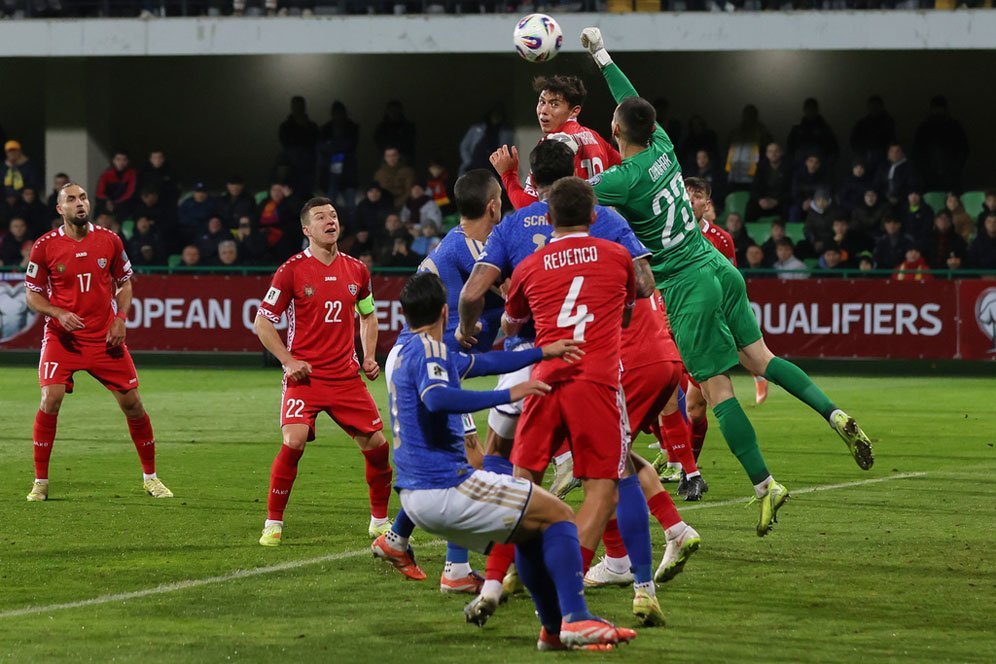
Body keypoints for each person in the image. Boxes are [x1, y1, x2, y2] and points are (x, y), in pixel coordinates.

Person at [581, 27, 874, 536]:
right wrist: (602, 55)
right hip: (718, 266)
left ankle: (766, 486)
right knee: (762, 358)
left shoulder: (619, 180)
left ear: (617, 131)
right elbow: (631, 102)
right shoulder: (666, 147)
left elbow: (569, 198)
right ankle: (836, 415)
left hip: (687, 284)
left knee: (717, 390)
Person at [457, 141, 659, 621]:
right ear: (590, 206)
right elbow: (641, 290)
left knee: (518, 479)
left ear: (547, 213)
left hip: (536, 373)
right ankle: (621, 584)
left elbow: (501, 314)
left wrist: (472, 332)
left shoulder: (520, 247)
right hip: (597, 379)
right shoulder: (613, 248)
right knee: (613, 480)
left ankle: (491, 581)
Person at [381, 272, 635, 651]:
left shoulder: (409, 352)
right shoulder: (429, 350)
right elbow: (436, 398)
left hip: (418, 496)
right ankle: (577, 617)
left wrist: (540, 353)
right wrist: (509, 393)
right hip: (445, 486)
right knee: (561, 515)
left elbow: (483, 363)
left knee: (529, 533)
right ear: (446, 311)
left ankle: (552, 631)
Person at [378, 169, 506, 594]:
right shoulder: (473, 248)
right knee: (469, 462)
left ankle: (397, 539)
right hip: (426, 361)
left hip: (421, 358)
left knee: (442, 461)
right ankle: (455, 570)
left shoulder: (460, 242)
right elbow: (514, 291)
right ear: (494, 205)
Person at [254, 197, 392, 546]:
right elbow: (263, 322)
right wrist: (289, 361)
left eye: (333, 215)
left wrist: (369, 356)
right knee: (294, 440)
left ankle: (379, 520)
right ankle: (273, 522)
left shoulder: (357, 270)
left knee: (377, 446)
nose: (330, 221)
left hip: (346, 377)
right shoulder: (291, 270)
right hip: (306, 378)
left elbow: (368, 314)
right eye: (320, 217)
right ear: (306, 230)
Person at [22, 182, 172, 502]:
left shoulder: (110, 240)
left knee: (132, 404)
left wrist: (121, 319)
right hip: (64, 339)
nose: (80, 203)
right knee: (51, 398)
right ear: (59, 209)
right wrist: (58, 312)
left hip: (105, 337)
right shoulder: (44, 246)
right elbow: (32, 295)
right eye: (72, 200)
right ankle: (41, 482)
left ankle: (151, 478)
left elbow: (125, 283)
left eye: (83, 197)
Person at [498, 74, 621, 209]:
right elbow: (624, 166)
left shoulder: (553, 145)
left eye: (554, 104)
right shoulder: (595, 137)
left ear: (574, 111)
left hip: (571, 222)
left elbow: (528, 206)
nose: (543, 111)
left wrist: (508, 174)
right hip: (600, 221)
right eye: (542, 102)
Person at [913, 95, 969, 193]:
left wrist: (956, 168)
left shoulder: (954, 126)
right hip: (930, 175)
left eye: (940, 109)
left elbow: (963, 150)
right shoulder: (925, 128)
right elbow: (917, 152)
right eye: (936, 109)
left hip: (950, 174)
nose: (938, 111)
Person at [317, 101, 360, 224]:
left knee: (351, 207)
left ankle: (351, 233)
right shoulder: (325, 129)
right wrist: (336, 147)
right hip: (331, 174)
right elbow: (321, 148)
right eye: (336, 113)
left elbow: (349, 146)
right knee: (329, 208)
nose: (338, 116)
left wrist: (332, 146)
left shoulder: (352, 128)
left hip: (348, 173)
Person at [277, 95, 319, 197]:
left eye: (300, 106)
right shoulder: (285, 126)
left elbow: (316, 142)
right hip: (291, 167)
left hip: (309, 166)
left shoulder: (312, 126)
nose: (298, 108)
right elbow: (285, 143)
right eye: (296, 106)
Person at [458, 103, 515, 176]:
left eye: (498, 115)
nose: (496, 118)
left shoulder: (506, 133)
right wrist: (469, 162)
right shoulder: (476, 129)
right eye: (494, 115)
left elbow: (508, 150)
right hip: (474, 166)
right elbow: (464, 146)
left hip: (493, 168)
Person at [724, 104, 771, 191]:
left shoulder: (762, 131)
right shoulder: (735, 132)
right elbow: (729, 150)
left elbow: (768, 150)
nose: (749, 117)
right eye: (747, 115)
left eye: (751, 115)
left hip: (755, 169)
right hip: (736, 169)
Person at [849, 95, 896, 175]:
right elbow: (854, 142)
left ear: (881, 106)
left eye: (876, 105)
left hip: (883, 159)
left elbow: (892, 141)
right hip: (866, 159)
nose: (874, 108)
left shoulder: (888, 123)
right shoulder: (862, 124)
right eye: (872, 106)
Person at [785, 98, 838, 168]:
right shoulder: (797, 129)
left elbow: (833, 150)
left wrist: (826, 164)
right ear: (804, 110)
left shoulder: (824, 129)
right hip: (800, 168)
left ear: (816, 110)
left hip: (820, 168)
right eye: (808, 108)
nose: (810, 111)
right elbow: (789, 150)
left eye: (812, 108)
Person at [747, 142, 790, 221]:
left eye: (776, 151)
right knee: (751, 207)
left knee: (789, 207)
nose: (773, 154)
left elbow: (790, 191)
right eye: (770, 151)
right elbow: (753, 188)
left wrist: (776, 201)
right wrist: (760, 200)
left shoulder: (788, 168)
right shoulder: (761, 168)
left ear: (781, 153)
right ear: (766, 154)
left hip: (779, 202)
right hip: (763, 202)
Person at [95, 152, 138, 217]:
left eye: (124, 160)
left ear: (128, 161)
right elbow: (99, 192)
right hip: (106, 204)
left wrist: (115, 203)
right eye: (118, 159)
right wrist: (107, 201)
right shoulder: (107, 173)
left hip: (124, 206)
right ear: (113, 161)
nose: (121, 162)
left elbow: (130, 193)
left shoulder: (131, 174)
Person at [874, 143, 917, 208]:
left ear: (902, 153)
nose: (894, 154)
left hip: (903, 201)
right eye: (892, 151)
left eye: (897, 151)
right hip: (883, 200)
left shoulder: (909, 167)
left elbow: (912, 186)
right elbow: (877, 184)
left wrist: (898, 197)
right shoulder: (882, 166)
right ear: (888, 153)